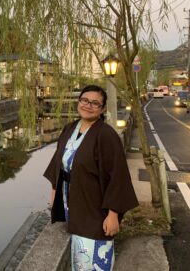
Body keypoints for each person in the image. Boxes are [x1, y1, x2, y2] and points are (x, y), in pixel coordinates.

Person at [44, 85, 138, 271]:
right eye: (85, 100)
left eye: (95, 103)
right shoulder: (70, 128)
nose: (88, 105)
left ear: (102, 109)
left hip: (95, 207)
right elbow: (58, 163)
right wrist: (54, 190)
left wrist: (113, 214)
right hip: (71, 201)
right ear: (79, 102)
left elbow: (118, 176)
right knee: (78, 257)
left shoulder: (106, 135)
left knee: (93, 257)